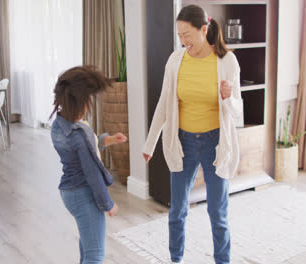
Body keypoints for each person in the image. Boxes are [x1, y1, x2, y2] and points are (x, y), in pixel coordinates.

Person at [142, 4, 244, 264]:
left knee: (217, 212)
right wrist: (150, 143)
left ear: (204, 29)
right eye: (179, 35)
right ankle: (176, 259)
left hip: (215, 143)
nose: (182, 40)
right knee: (177, 210)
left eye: (187, 34)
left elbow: (238, 113)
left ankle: (223, 261)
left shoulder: (226, 61)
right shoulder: (176, 60)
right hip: (183, 143)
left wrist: (228, 97)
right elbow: (164, 104)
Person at [50, 66, 127, 264]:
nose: (89, 105)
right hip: (84, 194)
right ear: (80, 102)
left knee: (87, 246)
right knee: (95, 255)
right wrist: (107, 203)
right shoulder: (79, 135)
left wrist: (109, 140)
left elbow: (85, 150)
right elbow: (92, 172)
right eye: (87, 100)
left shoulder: (59, 125)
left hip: (69, 192)